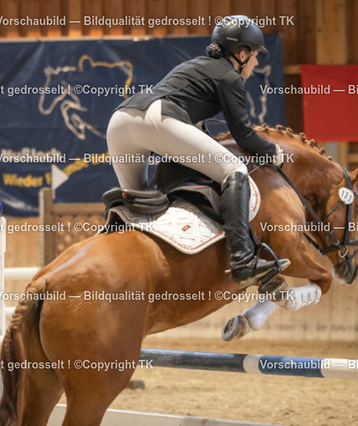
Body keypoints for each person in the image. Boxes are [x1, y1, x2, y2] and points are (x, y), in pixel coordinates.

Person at [106, 15, 289, 289]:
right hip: (156, 117)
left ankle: (123, 268)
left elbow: (194, 136)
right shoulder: (230, 76)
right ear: (241, 54)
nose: (256, 62)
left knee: (138, 208)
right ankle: (243, 262)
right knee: (234, 170)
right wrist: (274, 152)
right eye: (255, 56)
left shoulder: (194, 66)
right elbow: (243, 134)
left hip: (120, 121)